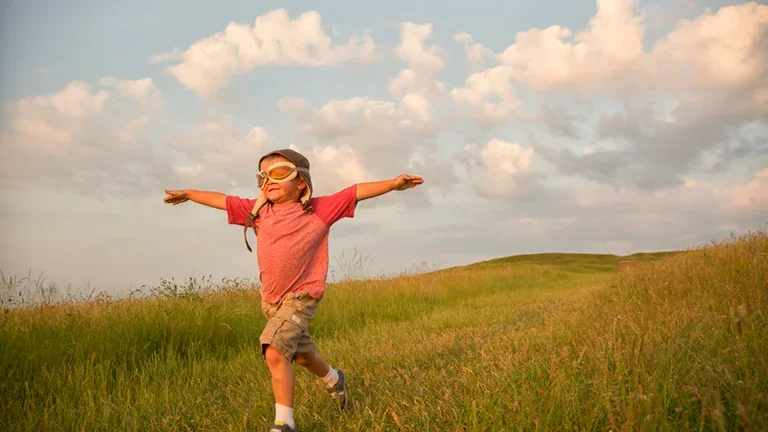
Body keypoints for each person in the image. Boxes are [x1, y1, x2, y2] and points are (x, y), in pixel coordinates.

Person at [163, 148, 424, 432]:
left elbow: (354, 192)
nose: (268, 181)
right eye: (262, 176)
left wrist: (393, 184)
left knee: (275, 350)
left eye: (278, 173)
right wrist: (189, 193)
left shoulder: (318, 209)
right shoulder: (258, 211)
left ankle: (284, 424)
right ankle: (335, 379)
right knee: (301, 355)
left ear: (301, 181)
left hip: (302, 297)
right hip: (272, 301)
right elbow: (221, 200)